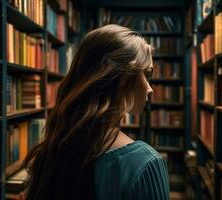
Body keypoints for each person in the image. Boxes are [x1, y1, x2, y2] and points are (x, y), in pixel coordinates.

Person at [23, 24, 170, 200]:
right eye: (147, 75)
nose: (150, 88)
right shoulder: (145, 164)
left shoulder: (54, 150)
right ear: (122, 77)